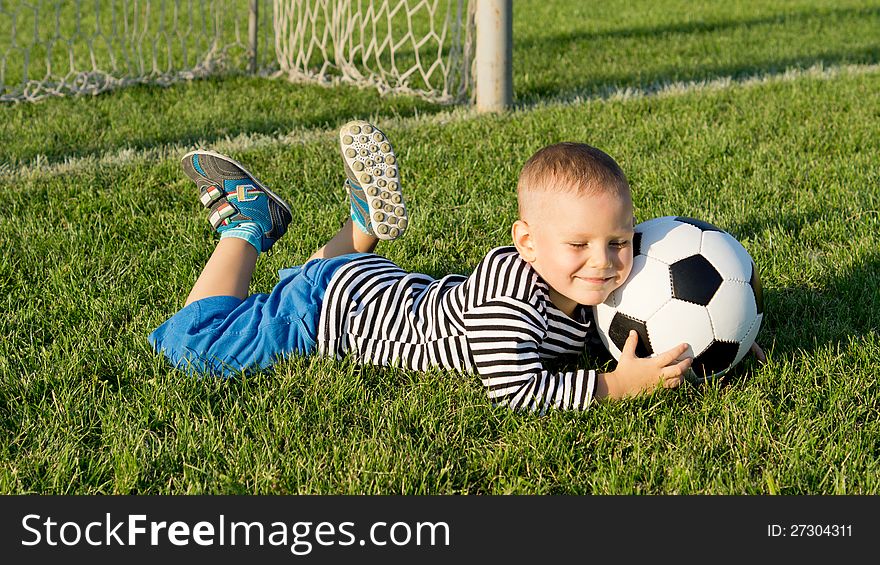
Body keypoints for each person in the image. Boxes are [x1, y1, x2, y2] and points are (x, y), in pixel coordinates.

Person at [149, 120, 763, 413]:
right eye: (578, 246)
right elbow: (517, 390)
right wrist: (616, 386)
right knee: (194, 345)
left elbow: (623, 329)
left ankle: (360, 227)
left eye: (619, 241)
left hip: (377, 288)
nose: (603, 265)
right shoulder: (511, 301)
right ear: (525, 242)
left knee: (294, 285)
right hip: (329, 316)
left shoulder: (594, 284)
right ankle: (247, 225)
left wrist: (710, 343)